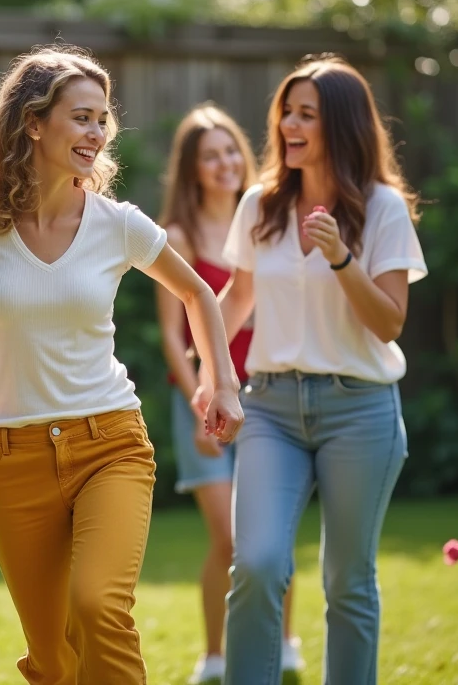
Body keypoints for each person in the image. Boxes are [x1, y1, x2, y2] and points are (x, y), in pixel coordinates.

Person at [0, 46, 246, 685]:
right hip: (10, 456)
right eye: (82, 117)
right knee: (53, 658)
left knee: (97, 605)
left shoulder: (118, 224)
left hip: (110, 443)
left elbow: (198, 294)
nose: (96, 132)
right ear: (33, 122)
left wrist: (222, 384)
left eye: (102, 119)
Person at [196, 54, 427, 685]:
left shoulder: (382, 208)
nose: (289, 126)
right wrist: (210, 374)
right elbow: (235, 299)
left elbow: (389, 322)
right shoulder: (261, 204)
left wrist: (342, 258)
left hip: (360, 410)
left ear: (343, 125)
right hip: (271, 407)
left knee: (348, 581)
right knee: (257, 564)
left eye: (307, 115)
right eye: (287, 112)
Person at [154, 103, 303, 683]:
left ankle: (285, 644)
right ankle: (215, 656)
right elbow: (173, 334)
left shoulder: (267, 220)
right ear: (192, 170)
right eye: (210, 157)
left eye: (231, 152)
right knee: (230, 538)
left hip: (267, 396)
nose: (225, 164)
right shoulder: (178, 236)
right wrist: (202, 395)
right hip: (204, 400)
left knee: (270, 533)